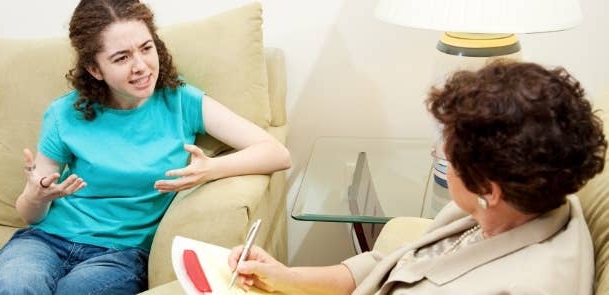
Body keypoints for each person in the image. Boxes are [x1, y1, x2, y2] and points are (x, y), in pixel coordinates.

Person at [0, 0, 291, 294]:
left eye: (146, 48)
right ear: (94, 69)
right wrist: (36, 196)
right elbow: (31, 215)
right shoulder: (64, 114)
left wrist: (210, 169)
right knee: (15, 287)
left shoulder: (181, 101)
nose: (141, 66)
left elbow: (276, 153)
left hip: (121, 254)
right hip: (45, 240)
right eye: (121, 58)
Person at [228, 60, 606, 294]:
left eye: (450, 152)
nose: (440, 154)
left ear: (488, 189)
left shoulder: (529, 285)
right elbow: (390, 264)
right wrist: (285, 278)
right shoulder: (515, 205)